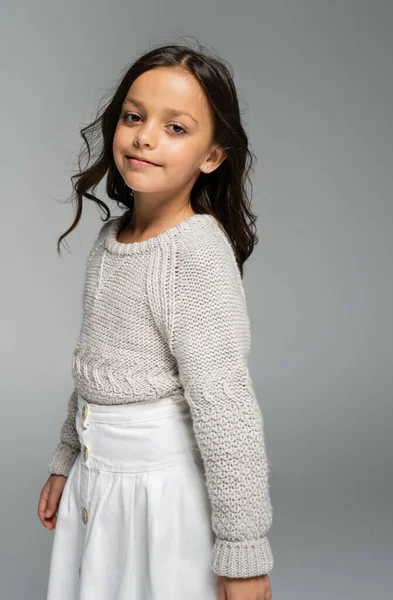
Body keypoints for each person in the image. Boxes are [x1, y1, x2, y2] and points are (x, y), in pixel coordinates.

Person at [38, 41, 274, 600]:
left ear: (212, 156)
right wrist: (67, 457)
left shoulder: (194, 254)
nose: (144, 137)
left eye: (176, 128)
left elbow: (228, 411)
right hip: (101, 482)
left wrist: (244, 556)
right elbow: (94, 368)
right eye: (134, 117)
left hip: (161, 497)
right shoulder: (109, 239)